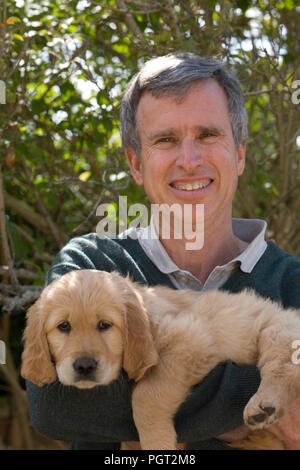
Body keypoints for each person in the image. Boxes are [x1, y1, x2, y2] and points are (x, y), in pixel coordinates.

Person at [26, 53, 300, 450]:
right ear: (136, 163)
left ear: (239, 153)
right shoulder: (94, 266)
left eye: (208, 135)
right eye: (166, 140)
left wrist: (149, 396)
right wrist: (255, 400)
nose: (189, 161)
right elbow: (55, 403)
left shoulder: (291, 281)